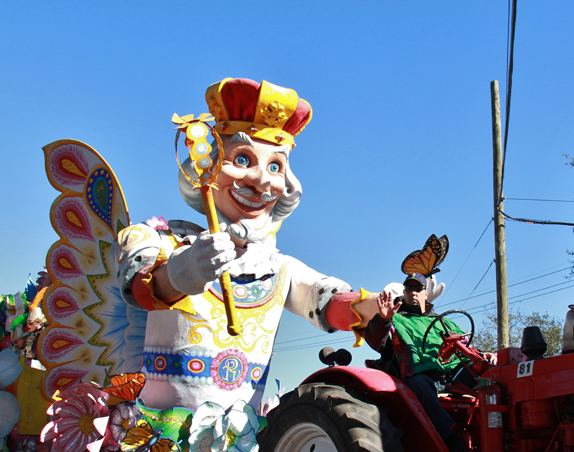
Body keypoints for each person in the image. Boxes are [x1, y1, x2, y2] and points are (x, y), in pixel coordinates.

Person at [117, 77, 378, 415]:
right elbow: (142, 289)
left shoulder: (279, 268)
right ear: (205, 167)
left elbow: (324, 299)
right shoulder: (159, 239)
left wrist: (372, 307)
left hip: (242, 447)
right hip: (159, 448)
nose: (261, 181)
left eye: (275, 166)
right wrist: (185, 271)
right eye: (242, 160)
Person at [365, 273, 470, 452]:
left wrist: (484, 357)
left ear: (426, 293)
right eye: (408, 288)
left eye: (418, 288)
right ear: (404, 292)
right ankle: (452, 440)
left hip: (450, 377)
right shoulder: (394, 318)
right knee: (420, 384)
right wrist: (383, 319)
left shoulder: (442, 322)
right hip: (415, 378)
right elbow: (376, 342)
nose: (413, 292)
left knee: (490, 380)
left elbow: (465, 346)